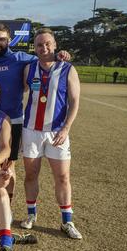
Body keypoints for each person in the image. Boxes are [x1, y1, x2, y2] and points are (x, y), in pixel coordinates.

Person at [0, 23, 70, 201]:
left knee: (8, 166)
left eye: (2, 39)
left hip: (14, 120)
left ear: (9, 41)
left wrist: (59, 54)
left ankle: (6, 205)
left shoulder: (21, 58)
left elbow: (44, 56)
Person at [21, 29, 82, 239]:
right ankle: (31, 215)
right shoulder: (28, 69)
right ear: (35, 48)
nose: (44, 48)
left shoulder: (68, 69)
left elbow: (75, 102)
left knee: (63, 177)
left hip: (57, 132)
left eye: (47, 44)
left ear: (55, 45)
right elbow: (19, 92)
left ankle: (67, 221)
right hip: (31, 131)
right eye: (39, 45)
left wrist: (66, 128)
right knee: (30, 175)